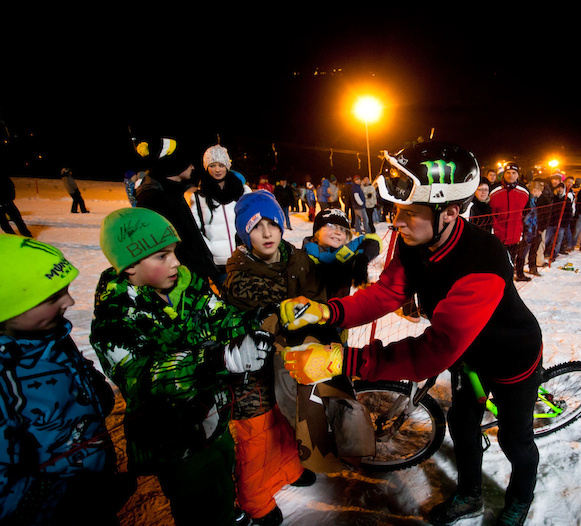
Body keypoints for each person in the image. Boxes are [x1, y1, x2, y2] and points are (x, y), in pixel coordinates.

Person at [279, 141, 544, 526]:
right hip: (468, 357)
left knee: (515, 440)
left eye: (411, 213)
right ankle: (470, 495)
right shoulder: (416, 241)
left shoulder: (482, 262)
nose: (397, 222)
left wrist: (342, 360)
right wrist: (329, 311)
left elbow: (433, 352)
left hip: (509, 357)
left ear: (450, 213)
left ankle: (520, 498)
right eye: (398, 211)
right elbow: (388, 292)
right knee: (463, 426)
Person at [91, 207, 273, 526]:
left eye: (174, 252)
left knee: (222, 468)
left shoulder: (188, 288)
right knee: (196, 501)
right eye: (161, 256)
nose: (175, 261)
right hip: (172, 439)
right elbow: (141, 375)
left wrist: (258, 319)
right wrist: (219, 359)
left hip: (213, 417)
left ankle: (228, 513)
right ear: (129, 266)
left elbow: (222, 318)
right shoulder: (116, 318)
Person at [0, 235, 134, 525]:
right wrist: (74, 500)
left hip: (93, 485)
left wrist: (96, 390)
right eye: (52, 296)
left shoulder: (52, 334)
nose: (70, 301)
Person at [222, 191, 318, 526]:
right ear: (243, 235)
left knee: (286, 423)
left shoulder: (296, 259)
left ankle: (289, 469)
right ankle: (255, 500)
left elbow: (318, 293)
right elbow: (275, 312)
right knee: (257, 437)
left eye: (272, 224)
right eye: (256, 227)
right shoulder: (240, 273)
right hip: (252, 374)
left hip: (287, 362)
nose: (267, 233)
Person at [133, 136, 219, 281]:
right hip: (180, 281)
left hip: (191, 278)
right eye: (188, 163)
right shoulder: (154, 198)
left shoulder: (171, 192)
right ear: (175, 165)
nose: (193, 167)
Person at [188, 144, 252, 289]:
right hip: (218, 265)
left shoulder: (243, 192)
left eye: (221, 165)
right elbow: (196, 230)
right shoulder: (199, 197)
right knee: (228, 301)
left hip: (244, 259)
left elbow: (254, 223)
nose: (217, 169)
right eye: (212, 165)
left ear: (227, 166)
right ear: (206, 167)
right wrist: (209, 250)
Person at [302, 208, 382, 300]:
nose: (338, 232)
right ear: (317, 230)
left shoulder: (344, 250)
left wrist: (363, 257)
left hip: (339, 310)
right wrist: (346, 268)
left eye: (343, 229)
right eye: (331, 226)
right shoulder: (304, 258)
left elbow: (373, 239)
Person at [489, 162, 532, 282]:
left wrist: (524, 228)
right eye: (508, 172)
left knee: (512, 258)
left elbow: (528, 211)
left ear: (518, 174)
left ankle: (509, 279)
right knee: (497, 259)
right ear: (504, 174)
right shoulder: (494, 190)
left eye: (514, 173)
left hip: (515, 233)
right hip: (498, 233)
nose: (511, 175)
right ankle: (496, 280)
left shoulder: (524, 190)